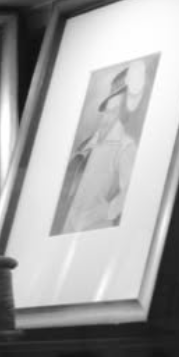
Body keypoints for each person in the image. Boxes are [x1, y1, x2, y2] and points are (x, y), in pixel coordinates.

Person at [53, 62, 143, 235]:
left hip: (95, 231)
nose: (107, 118)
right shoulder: (89, 143)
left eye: (114, 111)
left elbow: (132, 192)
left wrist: (105, 212)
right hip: (67, 228)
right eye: (107, 111)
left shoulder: (126, 146)